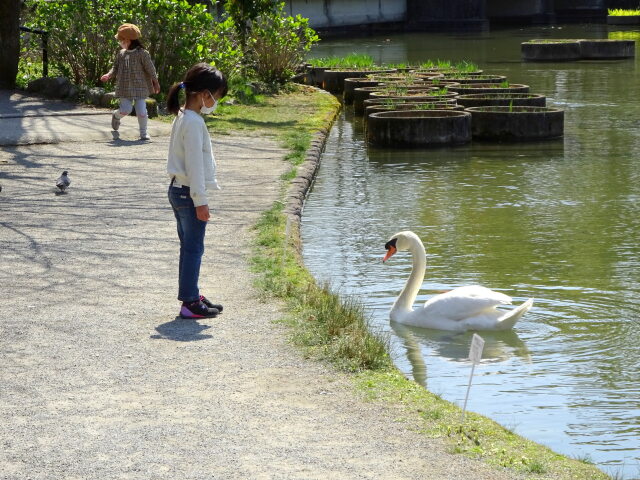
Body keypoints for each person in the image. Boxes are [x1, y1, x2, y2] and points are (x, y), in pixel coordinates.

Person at [165, 63, 228, 319]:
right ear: (204, 94)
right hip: (188, 193)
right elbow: (195, 165)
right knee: (194, 249)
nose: (215, 103)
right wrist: (200, 201)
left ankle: (192, 293)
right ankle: (189, 302)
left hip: (178, 190)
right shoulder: (192, 122)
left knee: (189, 247)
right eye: (216, 97)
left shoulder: (185, 116)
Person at [100, 23, 160, 140]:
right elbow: (115, 68)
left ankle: (143, 133)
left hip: (140, 87)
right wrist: (109, 74)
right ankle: (116, 116)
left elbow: (151, 69)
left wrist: (155, 82)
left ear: (127, 40)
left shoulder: (142, 54)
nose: (120, 42)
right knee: (126, 110)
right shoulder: (121, 54)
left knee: (141, 111)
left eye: (121, 40)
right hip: (124, 87)